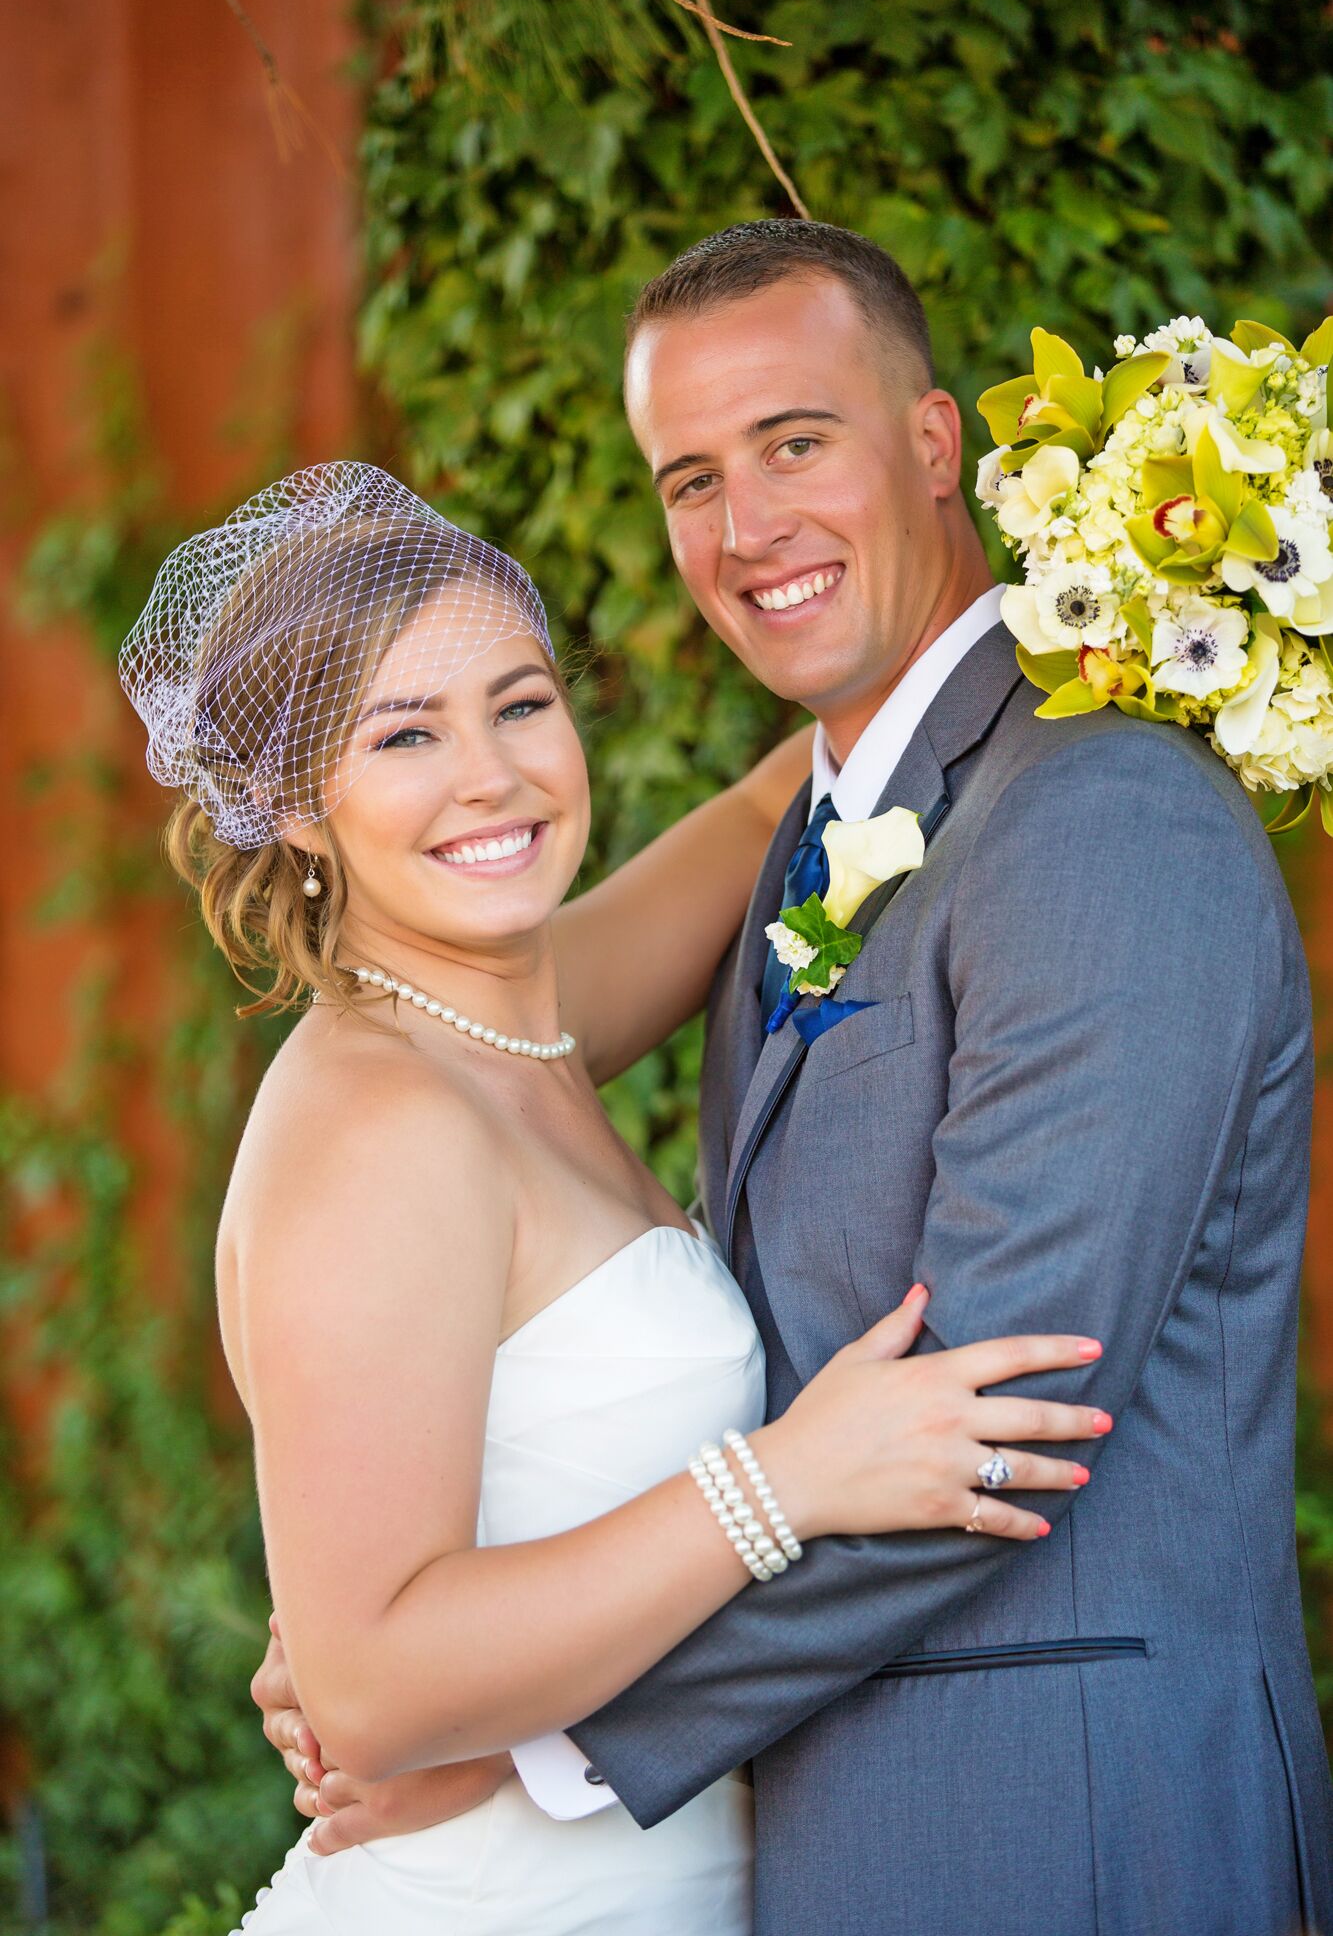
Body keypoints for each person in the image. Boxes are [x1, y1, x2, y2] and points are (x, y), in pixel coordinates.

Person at [254, 225, 1333, 1936]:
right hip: (828, 1838)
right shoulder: (814, 847)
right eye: (691, 477)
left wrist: (544, 1741)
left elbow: (992, 1428)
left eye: (793, 443)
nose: (743, 526)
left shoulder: (1095, 823)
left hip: (1063, 1830)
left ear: (932, 443)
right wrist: (381, 1623)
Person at [118, 461, 1103, 1933]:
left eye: (518, 703)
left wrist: (1124, 584)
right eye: (403, 735)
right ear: (297, 809)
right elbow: (373, 1690)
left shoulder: (517, 1018)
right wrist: (786, 1482)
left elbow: (803, 780)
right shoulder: (380, 1118)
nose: (491, 778)